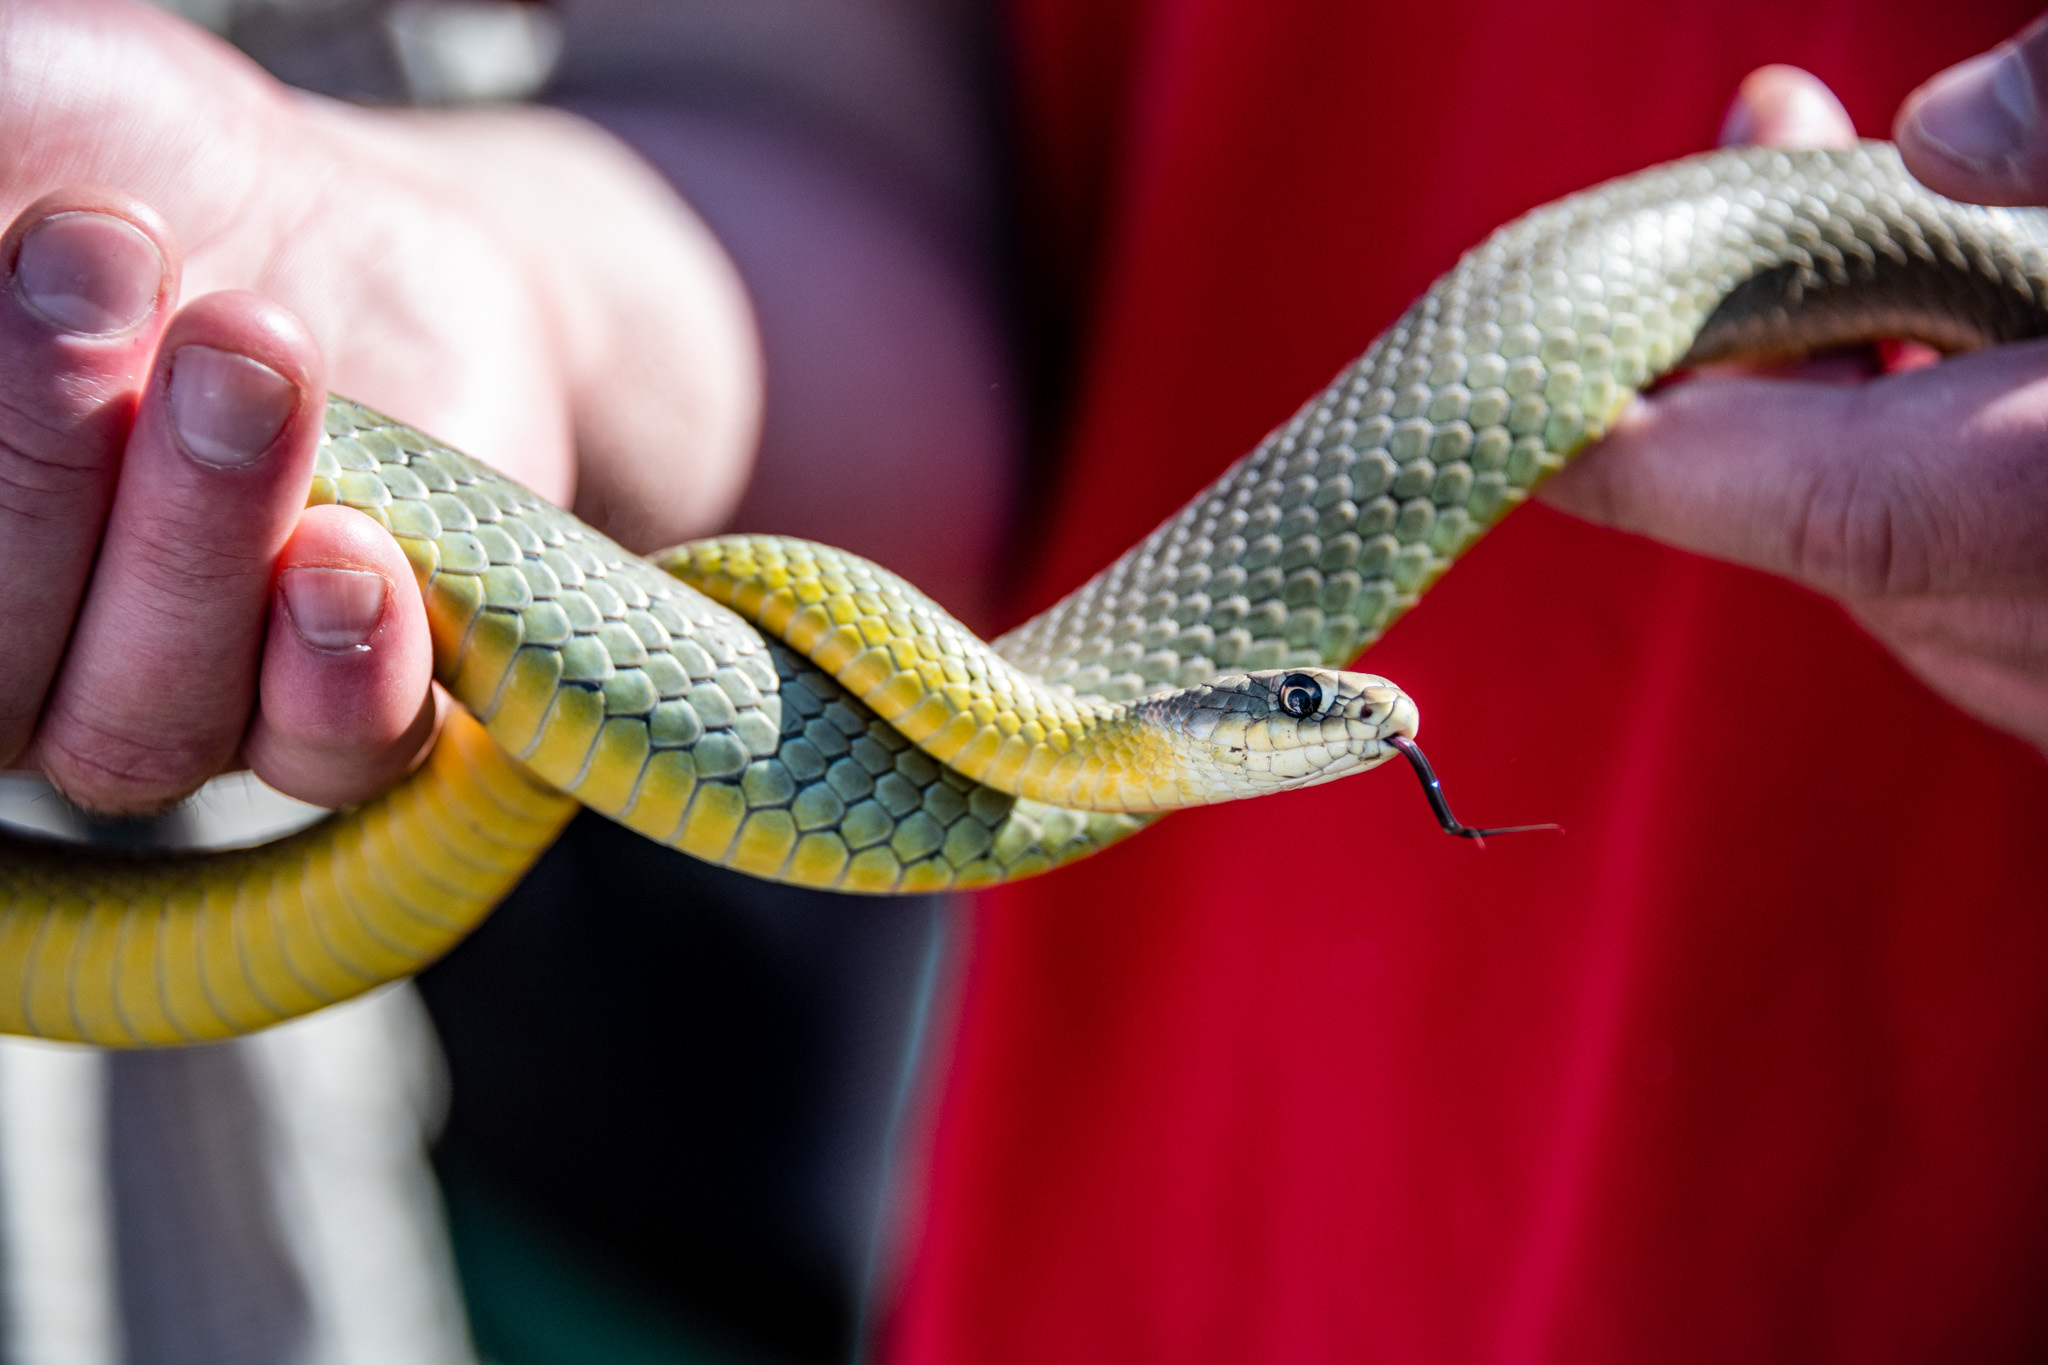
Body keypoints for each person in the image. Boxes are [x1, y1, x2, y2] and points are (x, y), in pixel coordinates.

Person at [1, 0, 2046, 1359]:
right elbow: (829, 158)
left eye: (1322, 693)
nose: (1372, 705)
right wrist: (452, 273)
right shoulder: (1043, 718)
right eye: (1313, 695)